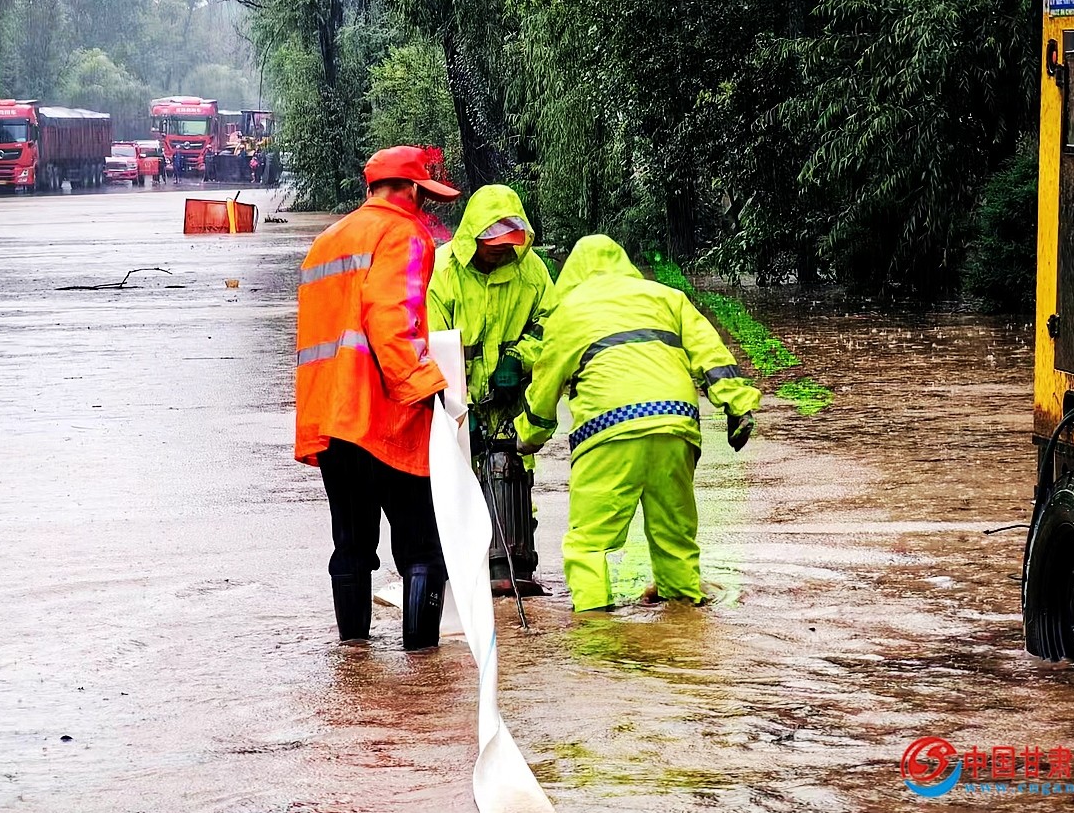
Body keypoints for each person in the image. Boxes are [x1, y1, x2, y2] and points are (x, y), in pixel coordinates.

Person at [514, 235, 761, 612]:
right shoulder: (668, 297)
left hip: (608, 429)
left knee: (588, 544)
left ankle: (594, 628)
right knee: (675, 538)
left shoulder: (569, 311)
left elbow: (545, 385)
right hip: (676, 423)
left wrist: (528, 436)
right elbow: (712, 354)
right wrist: (737, 404)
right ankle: (683, 614)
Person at [295, 145, 462, 649]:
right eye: (422, 193)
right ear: (409, 189)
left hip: (332, 419)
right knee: (422, 548)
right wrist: (429, 389)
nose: (423, 204)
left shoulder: (326, 241)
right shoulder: (404, 233)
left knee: (350, 545)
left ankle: (354, 657)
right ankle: (422, 667)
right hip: (385, 416)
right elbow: (392, 319)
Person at [427, 184, 555, 595]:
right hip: (455, 403)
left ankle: (514, 565)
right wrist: (458, 412)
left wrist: (519, 358)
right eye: (493, 244)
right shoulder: (442, 272)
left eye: (508, 244)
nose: (501, 252)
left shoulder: (531, 271)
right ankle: (461, 577)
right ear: (474, 238)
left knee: (512, 476)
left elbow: (550, 326)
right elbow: (432, 346)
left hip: (509, 404)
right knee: (455, 490)